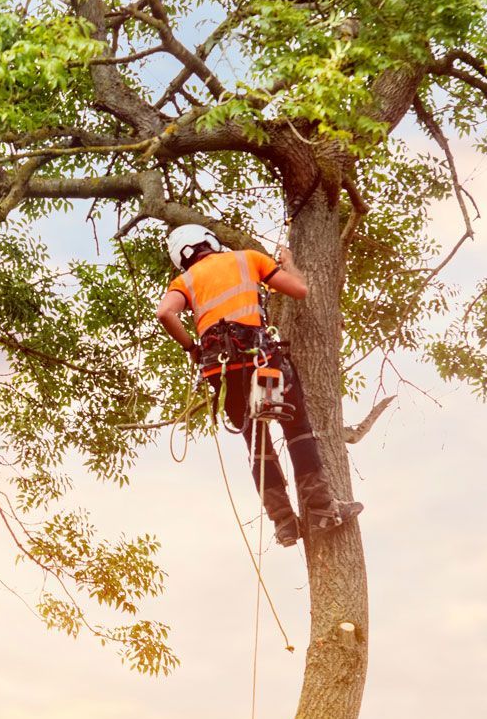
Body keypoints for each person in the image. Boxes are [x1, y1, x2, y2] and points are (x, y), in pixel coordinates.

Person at [155, 224, 362, 547]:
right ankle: (322, 509)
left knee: (256, 441)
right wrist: (288, 263)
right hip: (260, 363)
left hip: (222, 373)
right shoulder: (247, 259)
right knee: (296, 428)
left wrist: (193, 350)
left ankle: (284, 524)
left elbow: (165, 313)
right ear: (209, 242)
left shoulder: (184, 281)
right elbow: (299, 289)